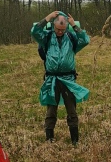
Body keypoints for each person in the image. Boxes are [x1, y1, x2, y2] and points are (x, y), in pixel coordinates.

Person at [30, 10, 90, 144]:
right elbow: (34, 32)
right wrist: (47, 18)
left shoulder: (71, 37)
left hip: (68, 79)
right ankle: (49, 139)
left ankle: (75, 140)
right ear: (53, 26)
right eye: (58, 29)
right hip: (52, 79)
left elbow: (85, 40)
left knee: (72, 110)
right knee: (51, 111)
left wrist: (74, 25)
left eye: (63, 29)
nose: (60, 32)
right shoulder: (46, 36)